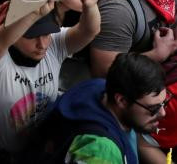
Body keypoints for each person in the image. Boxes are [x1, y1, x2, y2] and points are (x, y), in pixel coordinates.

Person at [0, 0, 101, 154]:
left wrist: (90, 6)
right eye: (33, 36)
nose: (42, 44)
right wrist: (33, 13)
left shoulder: (53, 46)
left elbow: (89, 31)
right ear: (14, 35)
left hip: (37, 151)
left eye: (46, 34)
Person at [25, 52, 167, 164]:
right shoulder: (101, 150)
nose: (163, 112)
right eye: (153, 108)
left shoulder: (98, 86)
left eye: (164, 103)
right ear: (122, 100)